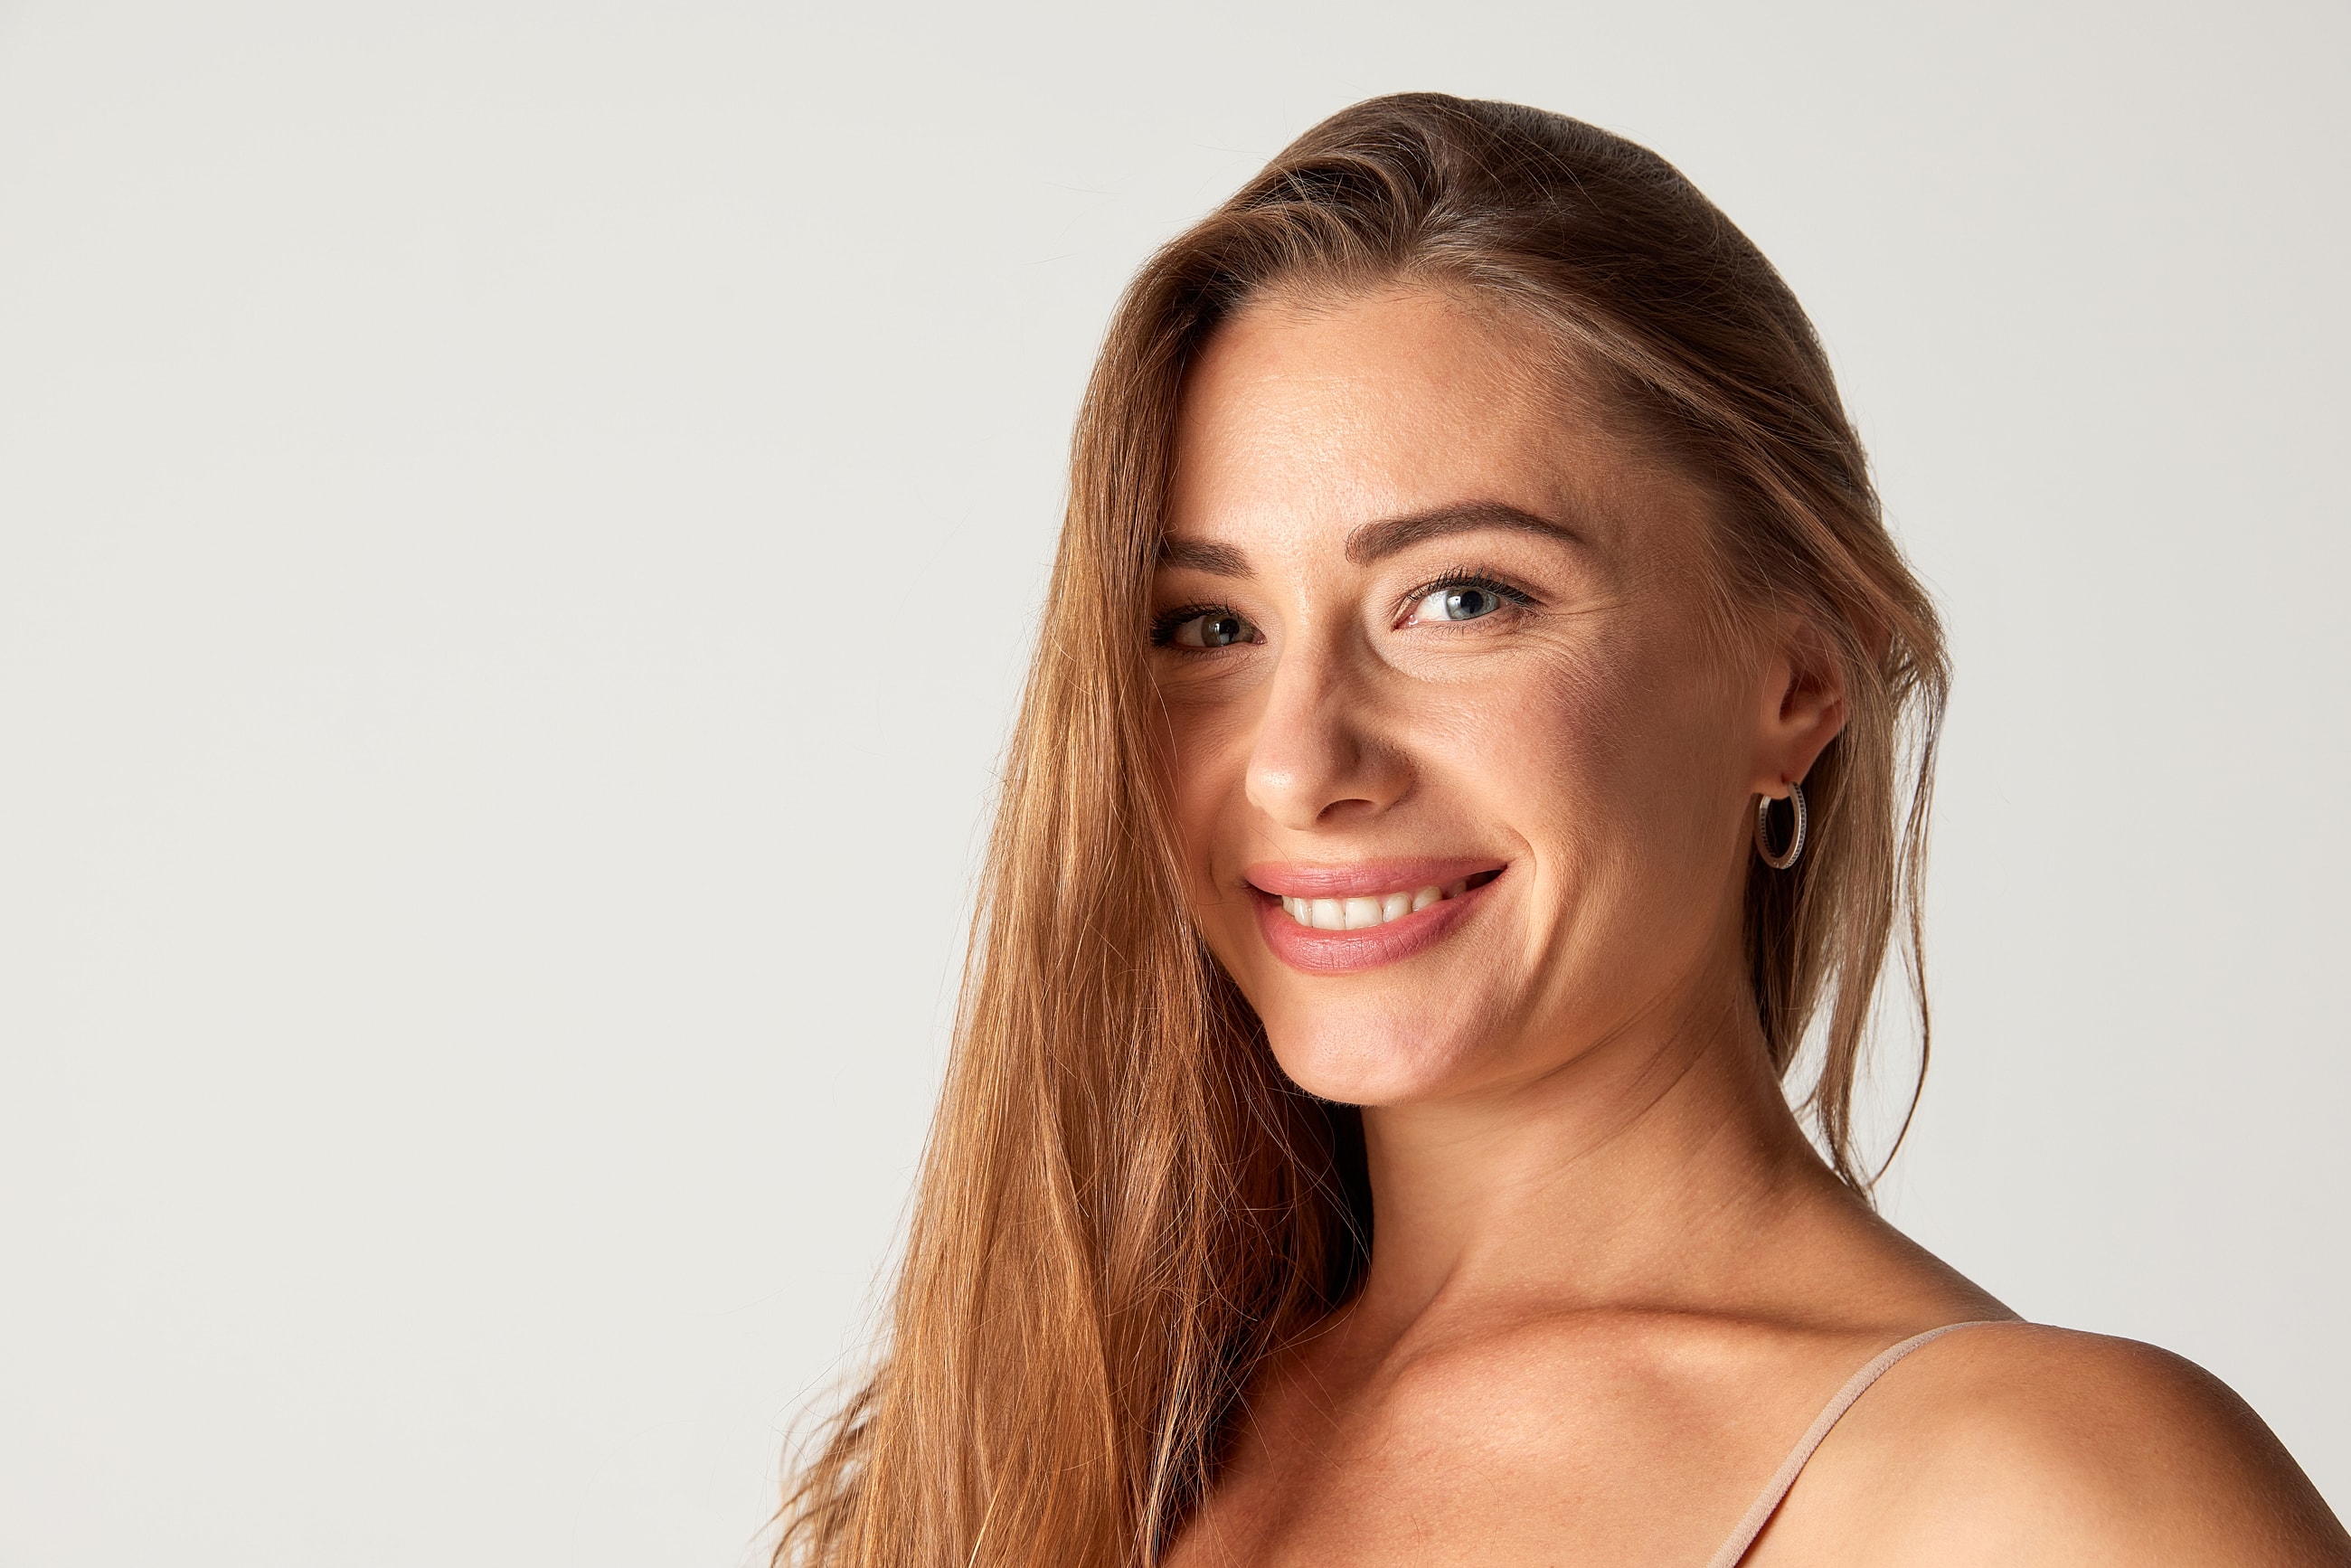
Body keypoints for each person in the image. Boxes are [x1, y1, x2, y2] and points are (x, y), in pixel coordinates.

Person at [776, 93, 2349, 1566]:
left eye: (1462, 598)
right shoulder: (1042, 1437)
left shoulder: (2048, 1500)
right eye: (1207, 626)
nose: (1300, 761)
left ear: (1797, 678)